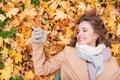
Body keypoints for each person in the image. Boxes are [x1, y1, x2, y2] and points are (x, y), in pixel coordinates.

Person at [32, 11, 120, 80]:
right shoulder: (69, 53)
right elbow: (41, 70)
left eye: (84, 30)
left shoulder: (112, 62)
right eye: (78, 31)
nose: (79, 34)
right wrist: (37, 43)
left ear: (96, 35)